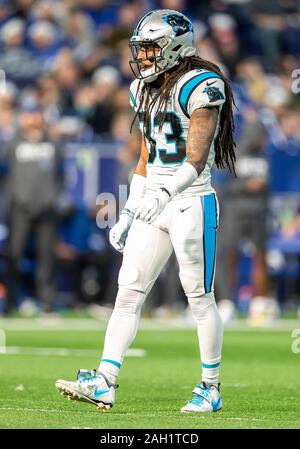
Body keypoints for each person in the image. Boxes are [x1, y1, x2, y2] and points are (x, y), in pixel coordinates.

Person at [56, 9, 236, 413]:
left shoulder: (202, 85)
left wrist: (165, 192)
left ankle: (210, 386)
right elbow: (146, 156)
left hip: (192, 200)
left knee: (199, 297)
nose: (143, 56)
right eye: (141, 48)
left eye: (151, 47)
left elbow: (197, 156)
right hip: (155, 198)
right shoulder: (142, 88)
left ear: (174, 47)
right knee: (128, 290)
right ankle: (105, 380)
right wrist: (130, 209)